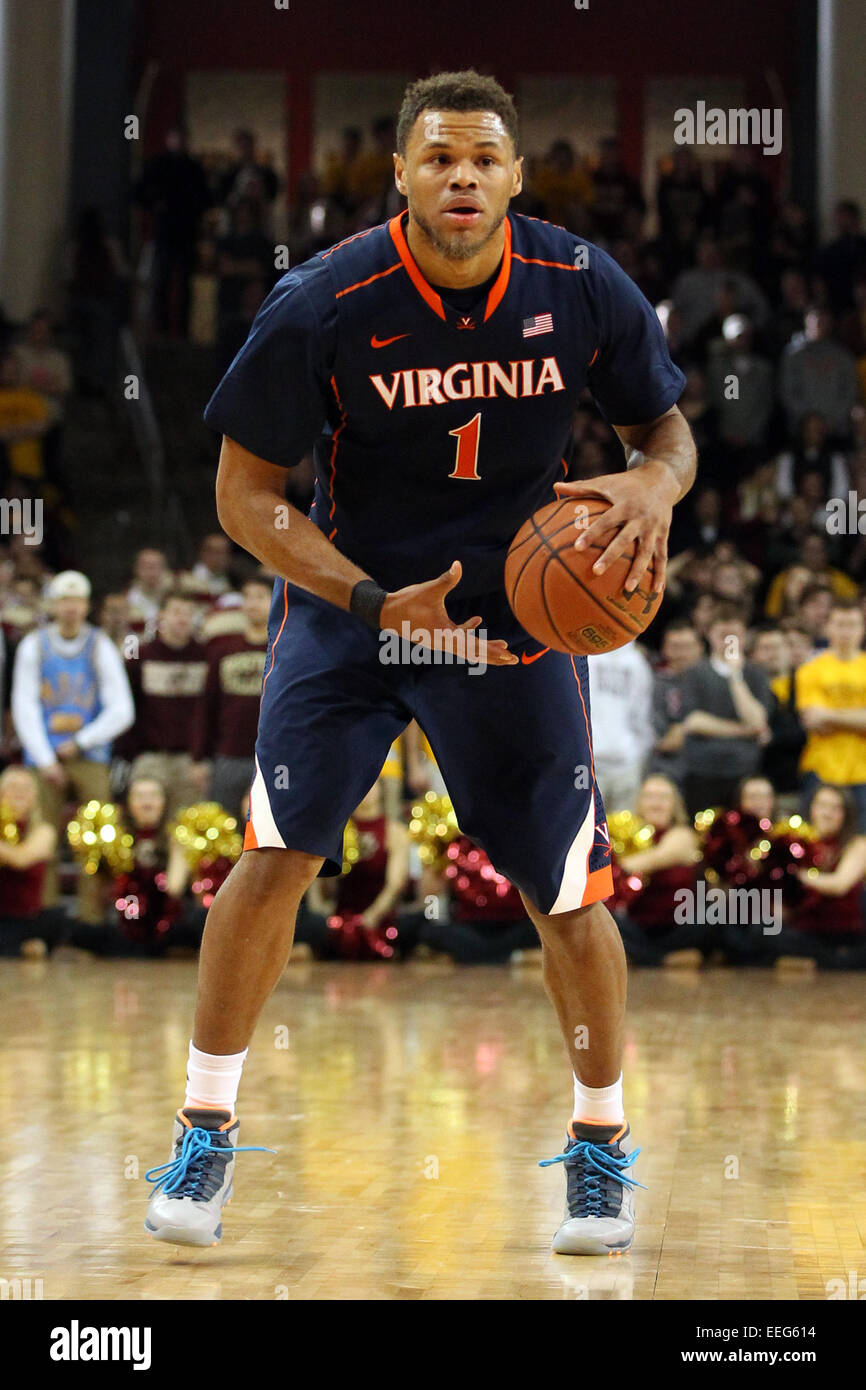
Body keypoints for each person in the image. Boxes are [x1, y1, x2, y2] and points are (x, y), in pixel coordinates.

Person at [143, 69, 695, 1258]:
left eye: (483, 158)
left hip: (506, 623)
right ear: (395, 171)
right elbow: (244, 494)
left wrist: (655, 480)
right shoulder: (323, 298)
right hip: (353, 609)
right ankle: (204, 1125)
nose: (461, 177)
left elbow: (665, 426)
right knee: (273, 854)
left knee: (566, 889)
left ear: (513, 175)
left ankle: (597, 1146)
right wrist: (358, 593)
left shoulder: (577, 281)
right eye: (437, 157)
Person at [10, 570, 134, 920]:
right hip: (43, 757)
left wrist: (80, 741)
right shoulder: (34, 645)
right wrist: (45, 757)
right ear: (53, 605)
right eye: (64, 600)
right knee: (39, 833)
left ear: (86, 606)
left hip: (89, 756)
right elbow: (24, 706)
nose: (71, 608)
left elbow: (122, 709)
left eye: (77, 601)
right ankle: (41, 916)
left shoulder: (100, 646)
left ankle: (90, 921)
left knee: (96, 837)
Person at [297, 776, 410, 960]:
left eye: (371, 785)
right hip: (338, 918)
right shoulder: (337, 830)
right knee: (309, 926)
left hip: (381, 921)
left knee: (419, 925)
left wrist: (371, 917)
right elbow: (319, 881)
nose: (366, 790)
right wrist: (324, 913)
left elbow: (396, 885)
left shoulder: (394, 831)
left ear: (381, 790)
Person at [678, 605, 775, 817]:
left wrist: (735, 676)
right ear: (710, 635)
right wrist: (745, 731)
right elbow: (694, 721)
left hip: (743, 772)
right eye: (723, 635)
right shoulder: (694, 672)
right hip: (701, 771)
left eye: (735, 636)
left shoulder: (755, 673)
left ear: (744, 637)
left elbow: (757, 720)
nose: (729, 642)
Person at [120, 591, 209, 814]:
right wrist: (131, 753)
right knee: (144, 822)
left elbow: (211, 711)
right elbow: (127, 708)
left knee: (185, 825)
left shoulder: (206, 656)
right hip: (150, 757)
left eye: (189, 613)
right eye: (177, 612)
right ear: (161, 616)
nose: (183, 618)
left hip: (190, 760)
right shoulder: (141, 656)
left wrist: (202, 756)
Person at [190, 574, 271, 815]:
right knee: (221, 828)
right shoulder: (222, 649)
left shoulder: (285, 650)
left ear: (274, 600)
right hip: (228, 754)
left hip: (273, 757)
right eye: (247, 597)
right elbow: (206, 705)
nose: (253, 603)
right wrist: (198, 757)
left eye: (260, 597)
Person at [610, 775, 703, 966]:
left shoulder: (682, 834)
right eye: (650, 796)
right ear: (639, 802)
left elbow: (658, 857)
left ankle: (640, 958)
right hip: (636, 927)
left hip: (679, 928)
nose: (656, 803)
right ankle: (662, 960)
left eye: (663, 797)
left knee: (713, 915)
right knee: (604, 919)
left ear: (674, 804)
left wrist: (622, 864)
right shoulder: (623, 836)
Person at [795, 602, 866, 831]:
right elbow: (812, 720)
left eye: (852, 625)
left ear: (862, 629)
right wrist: (857, 718)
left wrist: (829, 715)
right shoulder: (810, 669)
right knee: (814, 839)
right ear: (828, 628)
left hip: (862, 770)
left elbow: (823, 718)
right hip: (821, 767)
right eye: (840, 624)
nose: (846, 631)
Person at [778, 784, 866, 968]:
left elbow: (839, 884)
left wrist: (798, 875)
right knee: (759, 931)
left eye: (836, 808)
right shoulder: (797, 844)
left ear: (846, 814)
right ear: (812, 809)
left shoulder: (857, 845)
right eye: (822, 805)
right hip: (804, 931)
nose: (828, 813)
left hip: (843, 933)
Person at [0, 765, 66, 956]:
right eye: (12, 786)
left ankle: (24, 947)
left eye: (26, 787)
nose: (19, 792)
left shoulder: (44, 831)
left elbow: (22, 859)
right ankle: (25, 949)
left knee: (59, 921)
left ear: (35, 796)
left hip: (28, 918)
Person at [587, 641, 655, 813]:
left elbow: (642, 712)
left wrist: (639, 754)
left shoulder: (637, 663)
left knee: (624, 834)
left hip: (627, 762)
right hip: (591, 763)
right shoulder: (587, 656)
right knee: (586, 830)